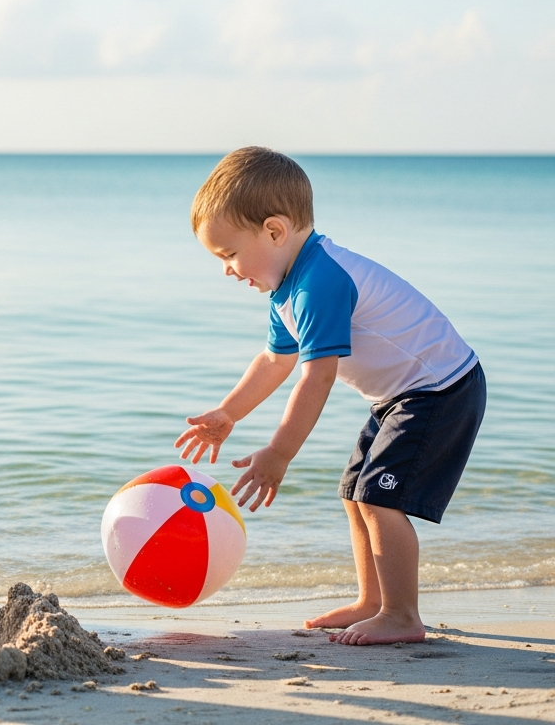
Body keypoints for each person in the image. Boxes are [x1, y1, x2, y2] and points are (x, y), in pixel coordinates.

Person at [174, 147, 484, 646]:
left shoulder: (321, 281)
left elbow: (316, 377)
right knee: (354, 495)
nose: (227, 270)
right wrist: (228, 413)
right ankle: (373, 601)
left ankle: (403, 616)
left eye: (229, 254)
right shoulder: (285, 287)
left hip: (440, 390)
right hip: (399, 396)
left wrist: (279, 454)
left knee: (381, 500)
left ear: (274, 231)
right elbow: (277, 361)